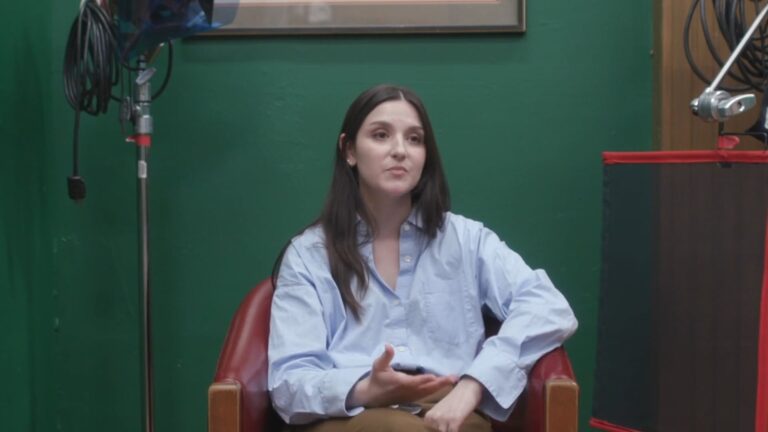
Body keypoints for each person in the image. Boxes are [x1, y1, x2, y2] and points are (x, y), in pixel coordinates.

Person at [267, 84, 578, 432]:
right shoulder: (309, 254)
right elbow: (288, 382)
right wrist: (365, 389)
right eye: (381, 135)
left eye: (415, 139)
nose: (400, 150)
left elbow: (548, 306)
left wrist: (474, 384)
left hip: (449, 411)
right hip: (347, 414)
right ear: (349, 150)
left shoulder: (466, 240)